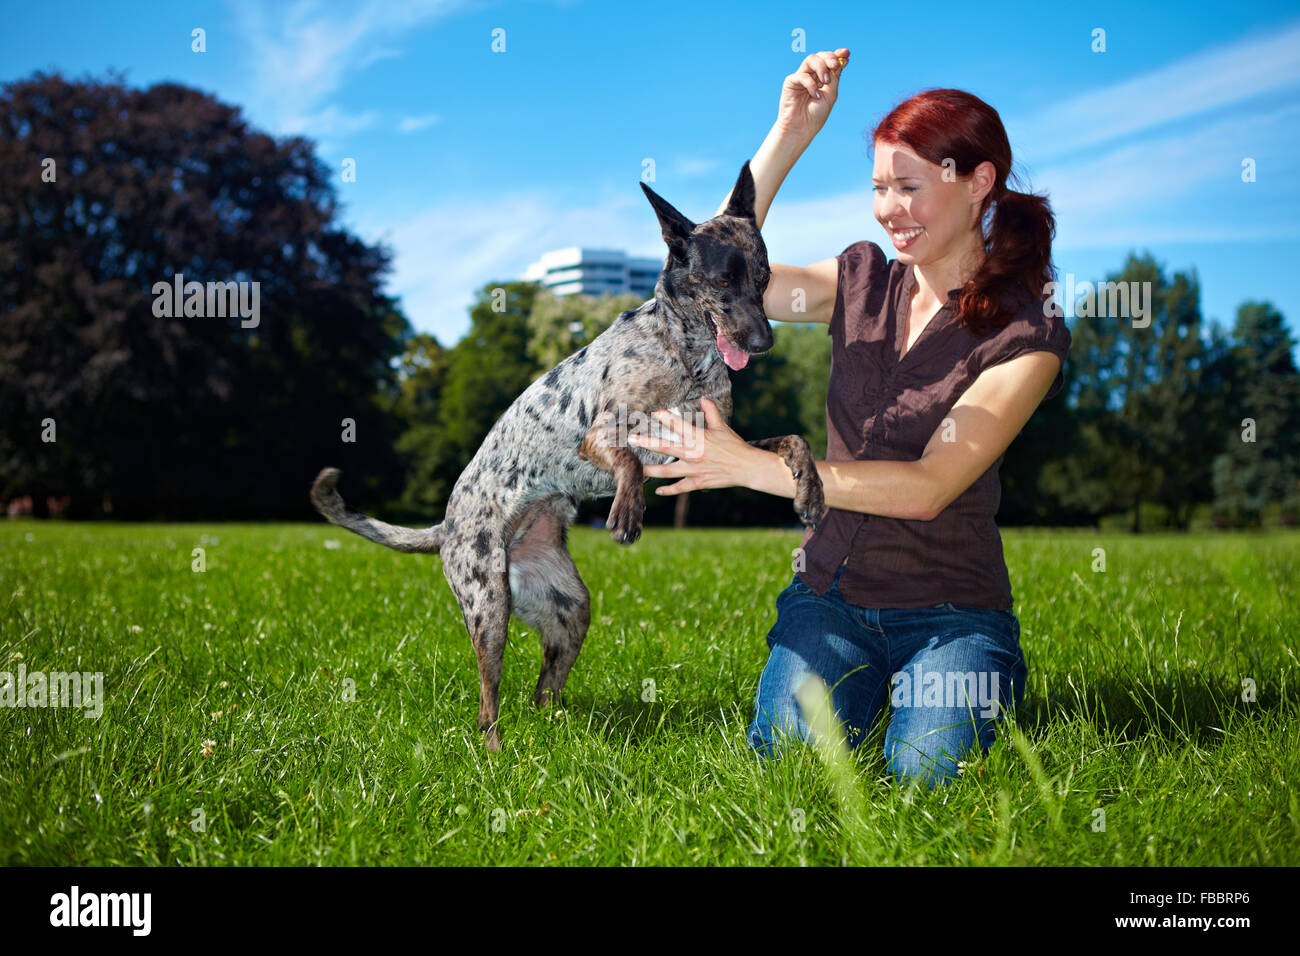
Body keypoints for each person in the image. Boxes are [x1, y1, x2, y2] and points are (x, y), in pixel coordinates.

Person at [626, 49, 1072, 788]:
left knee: (929, 780)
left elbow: (931, 484)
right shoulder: (858, 282)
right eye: (877, 188)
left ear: (979, 182)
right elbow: (701, 274)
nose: (889, 209)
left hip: (953, 612)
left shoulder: (1027, 333)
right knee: (794, 771)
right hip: (829, 603)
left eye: (909, 186)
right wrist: (789, 134)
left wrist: (751, 467)